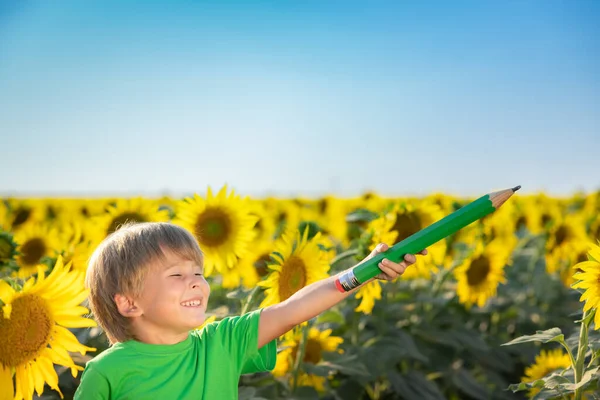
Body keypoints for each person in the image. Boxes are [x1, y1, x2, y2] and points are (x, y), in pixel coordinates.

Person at [74, 222, 426, 399]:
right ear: (129, 302)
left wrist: (362, 272)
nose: (196, 282)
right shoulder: (106, 373)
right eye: (177, 275)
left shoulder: (221, 343)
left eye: (198, 272)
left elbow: (293, 309)